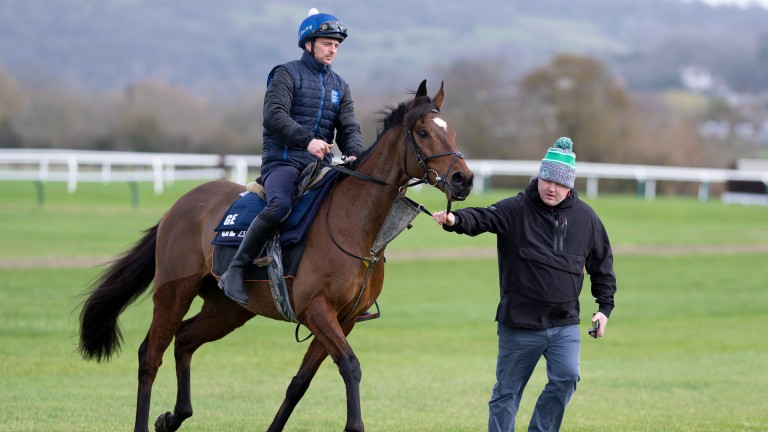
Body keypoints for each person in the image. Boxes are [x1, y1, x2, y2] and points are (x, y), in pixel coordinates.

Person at [432, 137, 617, 432]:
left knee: (567, 378)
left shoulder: (587, 220)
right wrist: (456, 220)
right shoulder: (516, 209)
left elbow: (602, 267)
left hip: (564, 324)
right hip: (519, 324)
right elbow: (483, 217)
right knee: (507, 393)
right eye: (546, 179)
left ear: (570, 186)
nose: (550, 188)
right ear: (539, 176)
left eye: (558, 183)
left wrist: (604, 308)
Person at [219, 8, 364, 305]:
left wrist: (355, 153)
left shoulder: (340, 86)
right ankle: (234, 270)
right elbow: (273, 116)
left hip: (318, 167)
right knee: (280, 205)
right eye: (327, 43)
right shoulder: (285, 73)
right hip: (282, 162)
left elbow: (349, 127)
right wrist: (307, 140)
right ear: (308, 44)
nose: (333, 50)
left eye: (336, 45)